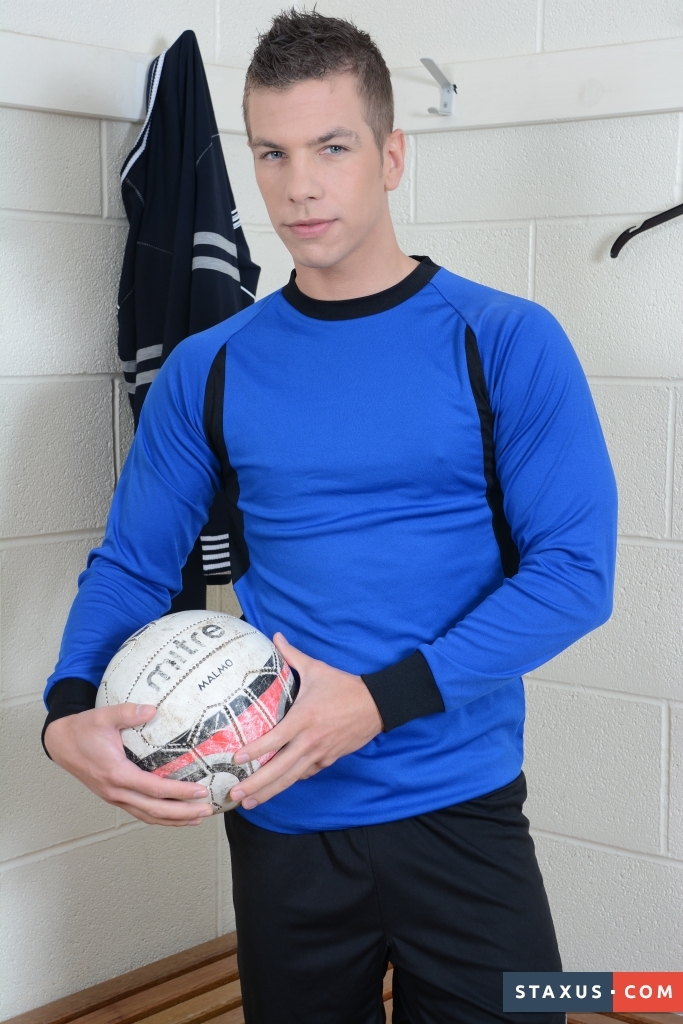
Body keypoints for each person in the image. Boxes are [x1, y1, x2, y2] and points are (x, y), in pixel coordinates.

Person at [42, 10, 617, 1024]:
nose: (298, 185)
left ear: (390, 156)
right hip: (280, 817)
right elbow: (134, 564)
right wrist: (66, 710)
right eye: (272, 152)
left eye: (331, 147)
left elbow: (574, 574)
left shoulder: (505, 339)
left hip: (459, 809)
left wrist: (379, 702)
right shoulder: (208, 368)